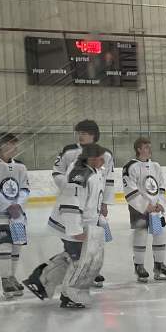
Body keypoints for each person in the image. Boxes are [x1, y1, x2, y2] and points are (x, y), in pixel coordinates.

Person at [51, 120, 113, 286]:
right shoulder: (69, 151)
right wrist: (70, 187)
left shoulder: (105, 155)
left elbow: (109, 180)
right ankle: (59, 275)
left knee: (93, 239)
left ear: (92, 135)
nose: (80, 136)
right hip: (74, 204)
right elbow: (57, 172)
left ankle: (90, 270)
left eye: (83, 133)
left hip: (93, 206)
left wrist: (105, 202)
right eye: (79, 133)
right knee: (75, 243)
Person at [0, 132, 30, 296]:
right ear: (0, 146)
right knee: (4, 245)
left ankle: (12, 277)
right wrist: (7, 206)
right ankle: (5, 279)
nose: (14, 147)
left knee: (16, 246)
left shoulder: (20, 166)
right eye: (10, 144)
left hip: (17, 215)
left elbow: (24, 188)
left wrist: (18, 205)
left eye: (15, 144)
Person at [123, 137, 166, 281]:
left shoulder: (156, 166)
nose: (150, 149)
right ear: (138, 149)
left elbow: (161, 186)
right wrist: (145, 206)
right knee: (141, 234)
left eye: (150, 146)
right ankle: (139, 265)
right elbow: (129, 190)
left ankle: (159, 264)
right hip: (140, 209)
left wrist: (160, 203)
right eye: (146, 147)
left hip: (155, 210)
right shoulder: (131, 167)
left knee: (158, 234)